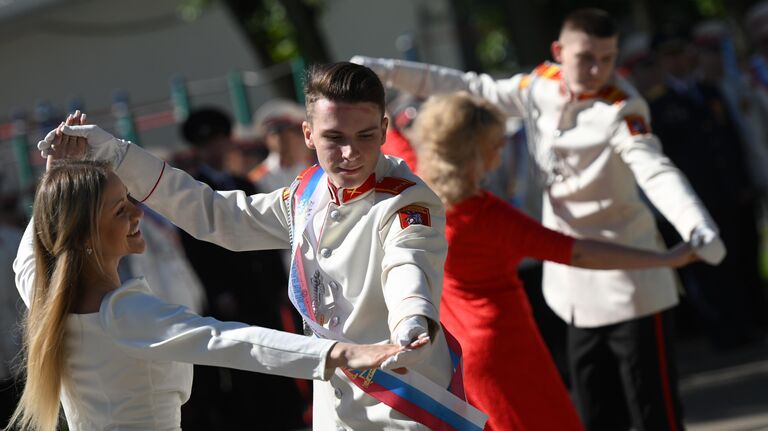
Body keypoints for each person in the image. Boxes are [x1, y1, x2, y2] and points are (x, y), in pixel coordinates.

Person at [44, 63, 483, 431]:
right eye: (334, 138)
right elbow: (218, 216)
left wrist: (411, 315)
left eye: (366, 136)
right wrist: (119, 156)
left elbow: (409, 261)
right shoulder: (308, 190)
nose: (350, 153)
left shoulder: (408, 199)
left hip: (402, 398)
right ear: (308, 134)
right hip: (336, 400)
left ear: (386, 128)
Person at [352, 8, 725, 431]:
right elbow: (577, 252)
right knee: (587, 416)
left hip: (624, 294)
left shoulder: (415, 180)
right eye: (586, 57)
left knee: (650, 414)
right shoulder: (491, 208)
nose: (598, 69)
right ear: (558, 52)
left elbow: (653, 168)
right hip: (560, 303)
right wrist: (669, 256)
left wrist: (694, 220)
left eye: (607, 58)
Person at [9, 141, 407, 431]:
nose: (137, 212)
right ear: (84, 237)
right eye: (120, 209)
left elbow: (28, 257)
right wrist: (341, 352)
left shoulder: (47, 300)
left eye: (130, 199)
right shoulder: (124, 314)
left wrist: (56, 172)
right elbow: (229, 340)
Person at [411, 91, 702, 431]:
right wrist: (665, 258)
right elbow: (578, 252)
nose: (500, 151)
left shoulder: (419, 203)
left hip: (456, 355)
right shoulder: (488, 218)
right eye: (494, 145)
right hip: (506, 347)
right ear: (473, 154)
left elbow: (394, 143)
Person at [176, 107, 305, 430]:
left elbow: (269, 237)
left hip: (260, 291)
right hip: (229, 299)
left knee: (276, 357)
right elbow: (196, 250)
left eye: (220, 141)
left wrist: (278, 284)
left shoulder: (243, 184)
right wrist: (218, 291)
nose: (216, 150)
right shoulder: (195, 192)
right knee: (243, 370)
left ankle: (285, 418)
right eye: (208, 144)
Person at [248, 98, 316, 192]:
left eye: (287, 133)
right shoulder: (257, 178)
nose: (282, 139)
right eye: (275, 133)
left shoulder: (312, 166)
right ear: (265, 139)